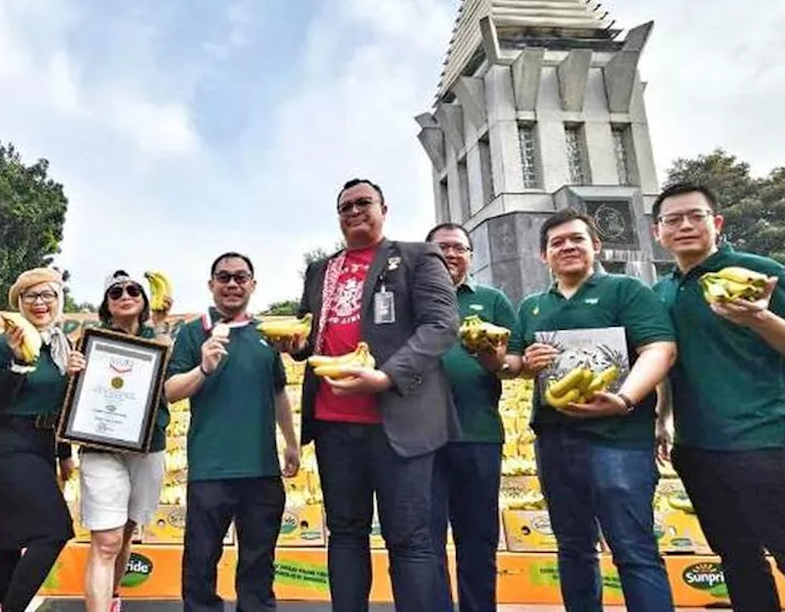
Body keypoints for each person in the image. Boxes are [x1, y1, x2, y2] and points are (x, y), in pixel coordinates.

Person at [652, 182, 785, 612]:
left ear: (716, 223)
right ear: (658, 232)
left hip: (766, 446)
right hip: (699, 450)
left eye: (695, 216)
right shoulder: (662, 292)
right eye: (673, 219)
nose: (685, 226)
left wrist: (758, 317)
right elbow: (666, 361)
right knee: (738, 562)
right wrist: (663, 416)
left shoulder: (757, 272)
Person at [280, 179, 459, 612]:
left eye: (364, 203)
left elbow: (441, 326)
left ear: (384, 208)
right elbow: (314, 330)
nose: (354, 211)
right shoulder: (322, 270)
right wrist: (297, 345)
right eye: (345, 206)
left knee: (410, 538)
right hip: (333, 423)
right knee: (344, 532)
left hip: (398, 421)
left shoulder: (418, 256)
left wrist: (386, 376)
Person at [505, 209, 677, 612]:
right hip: (555, 440)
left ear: (596, 246)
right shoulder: (532, 306)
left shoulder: (627, 291)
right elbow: (513, 366)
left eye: (577, 239)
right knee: (573, 548)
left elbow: (659, 349)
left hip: (619, 441)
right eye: (556, 243)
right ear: (542, 256)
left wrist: (624, 399)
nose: (567, 247)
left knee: (633, 549)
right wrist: (525, 364)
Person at [166, 252, 299, 612]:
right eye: (223, 277)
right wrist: (204, 368)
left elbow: (277, 392)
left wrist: (291, 443)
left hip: (261, 469)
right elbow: (170, 390)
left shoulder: (268, 335)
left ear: (253, 285)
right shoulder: (194, 333)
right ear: (211, 285)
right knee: (200, 562)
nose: (232, 284)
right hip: (211, 469)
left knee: (258, 565)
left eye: (241, 277)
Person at [0, 268, 81, 612]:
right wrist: (20, 364)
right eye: (31, 296)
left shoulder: (60, 347)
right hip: (6, 444)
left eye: (48, 295)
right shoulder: (3, 344)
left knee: (8, 541)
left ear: (59, 300)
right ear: (19, 303)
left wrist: (64, 453)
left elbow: (60, 405)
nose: (40, 303)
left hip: (41, 446)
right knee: (53, 532)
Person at [425, 223, 516, 612]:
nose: (450, 254)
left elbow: (518, 362)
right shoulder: (411, 301)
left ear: (470, 255)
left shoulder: (492, 300)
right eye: (441, 248)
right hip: (420, 438)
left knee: (478, 540)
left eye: (459, 248)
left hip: (477, 433)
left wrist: (496, 360)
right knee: (425, 543)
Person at [81, 271, 172, 612]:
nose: (124, 295)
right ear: (106, 304)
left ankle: (113, 596)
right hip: (101, 446)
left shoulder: (158, 336)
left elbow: (170, 378)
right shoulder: (93, 341)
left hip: (148, 444)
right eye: (115, 292)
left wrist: (162, 326)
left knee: (127, 529)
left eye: (133, 290)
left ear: (145, 299)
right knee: (106, 539)